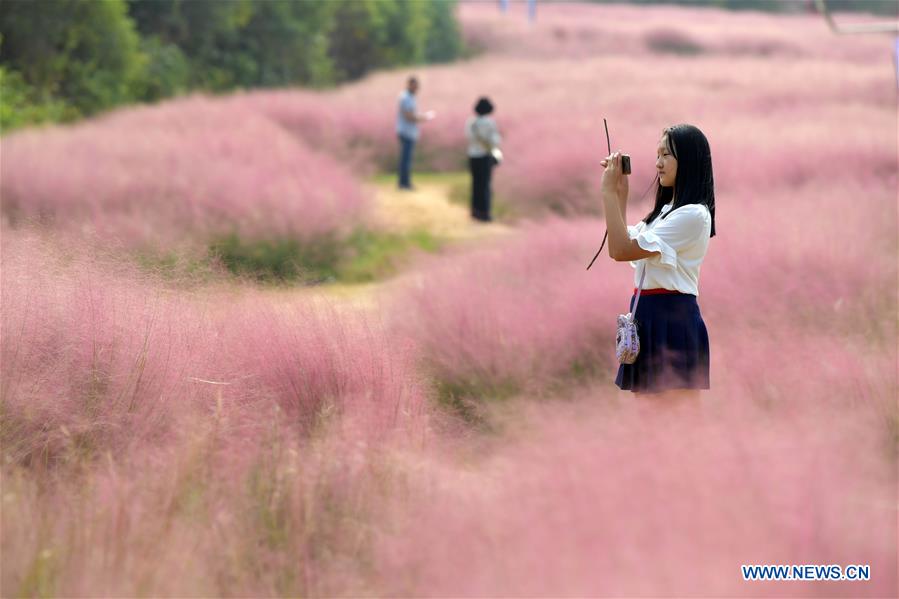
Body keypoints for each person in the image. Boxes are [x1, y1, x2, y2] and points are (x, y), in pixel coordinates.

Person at [599, 124, 716, 397]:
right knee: (652, 425)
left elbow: (620, 250)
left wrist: (607, 194)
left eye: (665, 155)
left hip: (672, 318)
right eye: (657, 155)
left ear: (686, 160)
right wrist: (619, 194)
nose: (658, 163)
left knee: (676, 422)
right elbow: (622, 243)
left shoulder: (694, 215)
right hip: (649, 317)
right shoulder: (664, 212)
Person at [396, 76, 435, 191]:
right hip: (406, 132)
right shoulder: (406, 97)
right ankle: (404, 184)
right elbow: (408, 116)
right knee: (405, 159)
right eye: (414, 85)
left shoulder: (410, 97)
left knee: (406, 159)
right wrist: (424, 117)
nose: (416, 88)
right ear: (409, 85)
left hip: (408, 132)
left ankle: (404, 182)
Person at [465, 97, 501, 222]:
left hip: (472, 155)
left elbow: (468, 137)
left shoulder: (471, 122)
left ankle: (475, 211)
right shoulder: (490, 122)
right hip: (485, 155)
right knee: (485, 185)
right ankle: (485, 212)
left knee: (475, 184)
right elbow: (495, 141)